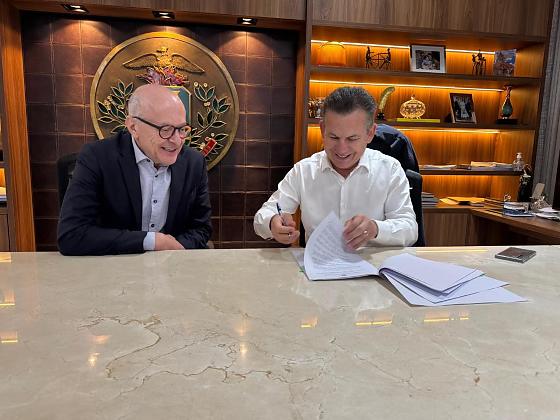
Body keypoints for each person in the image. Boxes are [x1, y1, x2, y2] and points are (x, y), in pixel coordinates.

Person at [254, 86, 417, 249]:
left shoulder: (390, 169)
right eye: (333, 137)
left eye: (352, 138)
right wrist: (272, 222)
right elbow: (263, 216)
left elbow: (410, 230)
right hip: (318, 263)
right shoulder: (303, 171)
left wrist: (376, 228)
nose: (342, 149)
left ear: (370, 133)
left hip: (373, 263)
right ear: (322, 130)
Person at [57, 84, 212, 255]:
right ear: (133, 127)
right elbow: (72, 235)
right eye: (165, 129)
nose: (177, 140)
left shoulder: (194, 163)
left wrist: (176, 250)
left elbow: (201, 229)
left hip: (172, 265)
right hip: (114, 266)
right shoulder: (97, 157)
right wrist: (152, 241)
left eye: (182, 129)